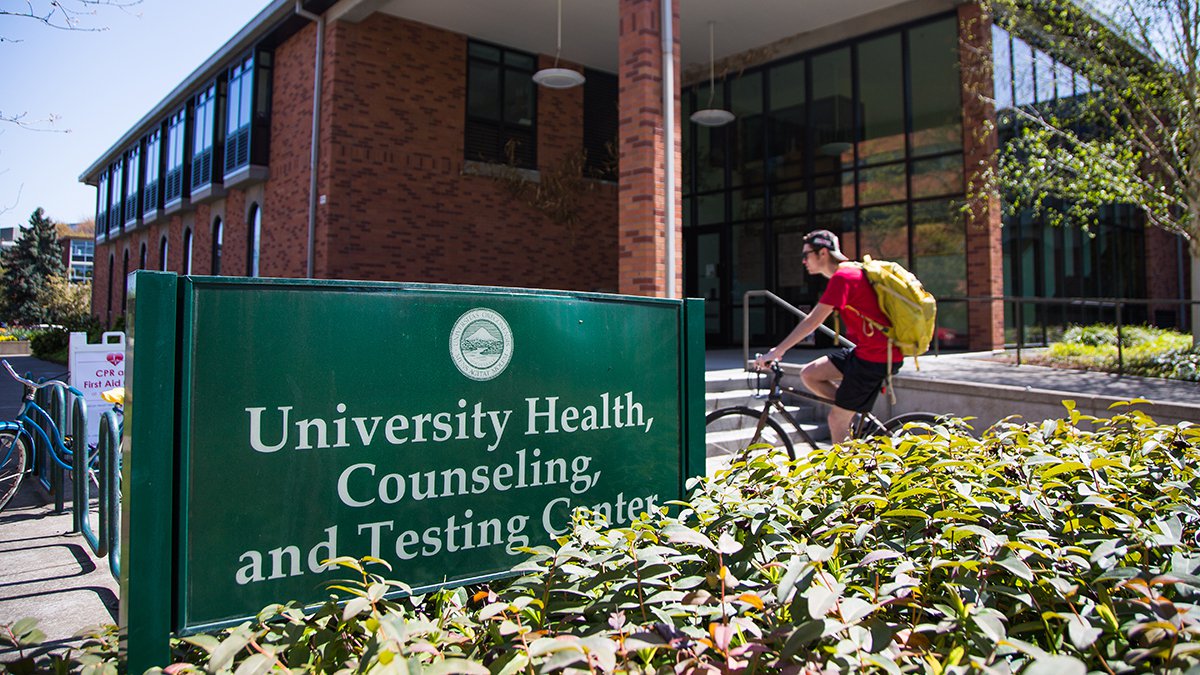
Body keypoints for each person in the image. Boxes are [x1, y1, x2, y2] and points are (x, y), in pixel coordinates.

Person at [753, 230, 902, 443]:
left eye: (807, 255)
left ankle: (845, 474)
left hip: (876, 358)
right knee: (810, 374)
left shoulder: (844, 277)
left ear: (823, 253)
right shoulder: (846, 273)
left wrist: (777, 351)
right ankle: (855, 414)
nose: (804, 261)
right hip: (867, 352)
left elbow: (814, 320)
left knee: (836, 420)